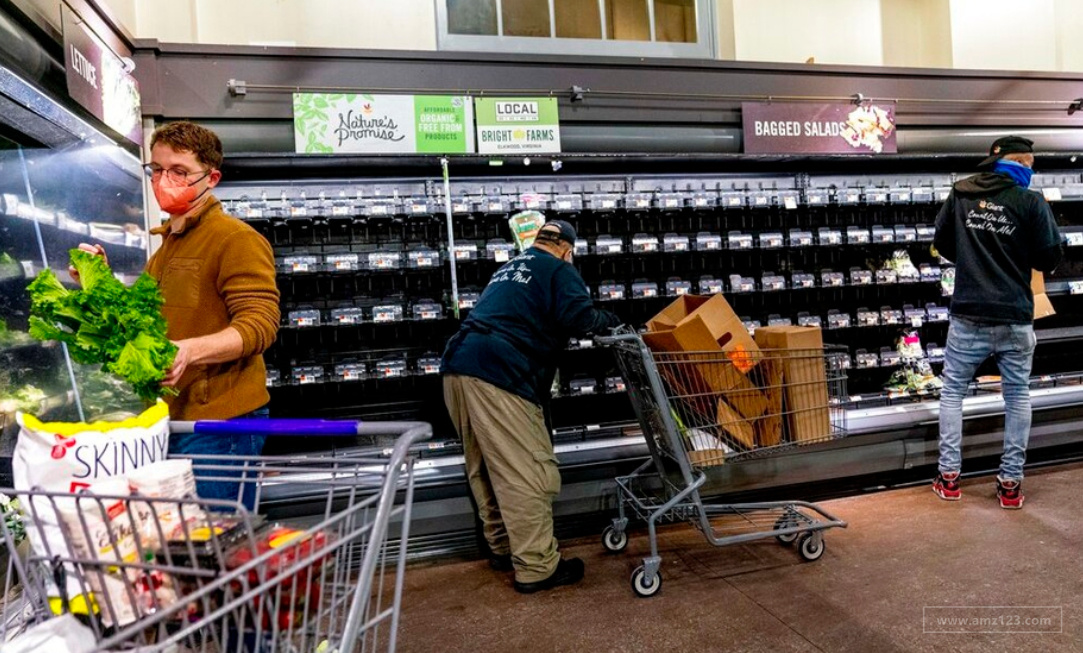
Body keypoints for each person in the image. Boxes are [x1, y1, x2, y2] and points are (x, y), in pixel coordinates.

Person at [74, 121, 280, 505]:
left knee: (216, 544)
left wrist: (188, 351)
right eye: (157, 170)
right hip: (174, 415)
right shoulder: (166, 246)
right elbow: (143, 320)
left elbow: (260, 325)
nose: (164, 180)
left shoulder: (236, 239)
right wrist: (98, 280)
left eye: (180, 172)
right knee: (186, 542)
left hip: (222, 422)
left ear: (211, 177)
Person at [441, 220, 621, 593]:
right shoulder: (559, 270)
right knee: (525, 472)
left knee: (486, 468)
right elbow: (580, 318)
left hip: (457, 368)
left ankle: (504, 548)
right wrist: (614, 322)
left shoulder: (509, 268)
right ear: (568, 249)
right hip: (500, 374)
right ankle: (538, 566)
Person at [932, 136, 1063, 509]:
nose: (1032, 171)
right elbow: (1048, 259)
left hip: (968, 312)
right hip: (1014, 315)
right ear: (1018, 163)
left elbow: (942, 244)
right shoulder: (1030, 201)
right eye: (1031, 165)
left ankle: (950, 477)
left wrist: (974, 261)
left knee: (953, 391)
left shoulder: (960, 193)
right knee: (1017, 395)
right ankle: (1010, 484)